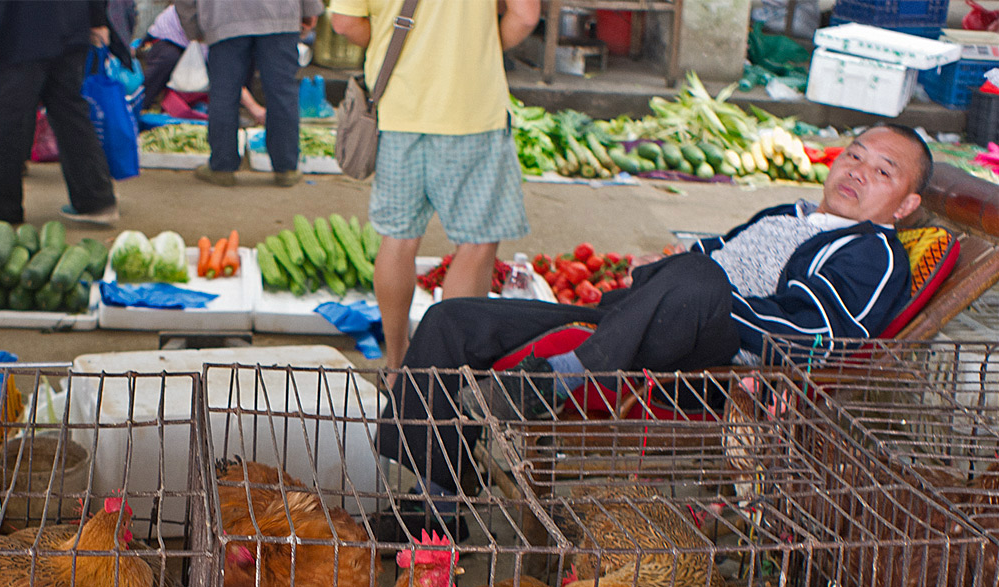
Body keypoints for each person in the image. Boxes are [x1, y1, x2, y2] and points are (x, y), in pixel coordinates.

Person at [376, 123, 931, 505]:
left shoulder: (873, 253)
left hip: (718, 369)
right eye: (854, 155)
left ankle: (563, 377)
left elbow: (821, 332)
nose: (857, 171)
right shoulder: (790, 213)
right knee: (452, 320)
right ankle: (437, 501)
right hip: (643, 327)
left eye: (883, 171)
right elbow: (708, 252)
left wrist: (709, 295)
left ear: (905, 206)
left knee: (698, 279)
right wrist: (662, 276)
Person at [329, 0, 541, 369]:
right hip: (473, 111)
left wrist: (393, 41)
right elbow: (525, 15)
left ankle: (396, 363)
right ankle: (443, 373)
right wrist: (482, 46)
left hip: (398, 110)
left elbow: (345, 22)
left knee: (398, 238)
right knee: (475, 243)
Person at [0, 0, 119, 228]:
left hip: (21, 32)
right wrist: (97, 19)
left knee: (3, 117)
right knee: (70, 114)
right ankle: (95, 201)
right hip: (71, 26)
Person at [176, 0, 322, 188]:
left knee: (224, 92)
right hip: (279, 16)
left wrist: (192, 25)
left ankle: (222, 168)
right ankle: (286, 169)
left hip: (224, 18)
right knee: (282, 93)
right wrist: (310, 10)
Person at [138, 5, 267, 123]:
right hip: (170, 37)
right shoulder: (217, 20)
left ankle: (231, 113)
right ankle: (140, 107)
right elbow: (224, 73)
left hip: (201, 39)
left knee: (244, 59)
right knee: (168, 59)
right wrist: (255, 109)